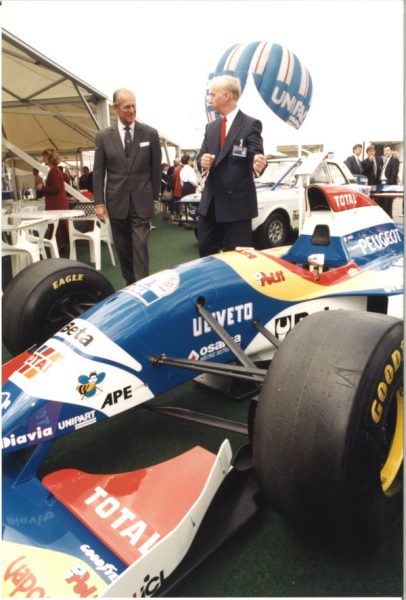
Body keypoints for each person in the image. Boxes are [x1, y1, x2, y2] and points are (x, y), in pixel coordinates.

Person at [93, 87, 161, 285]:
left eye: (134, 106)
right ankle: (131, 285)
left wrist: (154, 197)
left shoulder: (150, 133)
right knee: (123, 249)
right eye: (126, 107)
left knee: (139, 245)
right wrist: (99, 202)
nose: (132, 110)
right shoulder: (104, 137)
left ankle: (142, 287)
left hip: (142, 201)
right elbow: (99, 172)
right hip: (116, 202)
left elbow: (156, 169)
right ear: (115, 108)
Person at [196, 75, 266, 257]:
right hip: (210, 205)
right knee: (206, 256)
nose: (209, 99)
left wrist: (258, 165)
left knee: (238, 260)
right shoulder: (210, 127)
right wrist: (202, 162)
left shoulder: (251, 124)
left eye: (212, 94)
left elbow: (256, 156)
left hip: (237, 207)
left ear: (226, 95)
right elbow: (200, 156)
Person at [42, 148, 69, 249]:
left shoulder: (54, 171)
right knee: (58, 226)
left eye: (45, 157)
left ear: (50, 158)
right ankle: (59, 246)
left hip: (56, 203)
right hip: (57, 202)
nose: (43, 159)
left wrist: (43, 187)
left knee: (57, 225)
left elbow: (56, 188)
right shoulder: (55, 170)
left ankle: (58, 246)